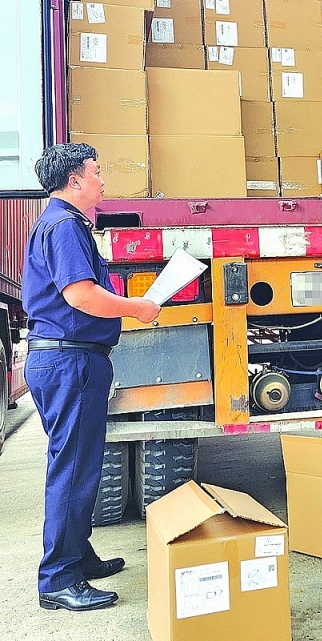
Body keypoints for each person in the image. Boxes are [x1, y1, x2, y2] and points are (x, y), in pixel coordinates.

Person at [22, 143, 160, 611]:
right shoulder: (63, 226)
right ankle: (59, 578)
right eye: (97, 173)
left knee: (81, 465)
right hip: (69, 362)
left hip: (71, 361)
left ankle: (77, 557)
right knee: (74, 468)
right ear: (75, 181)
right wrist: (137, 308)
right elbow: (81, 295)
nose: (103, 181)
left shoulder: (67, 224)